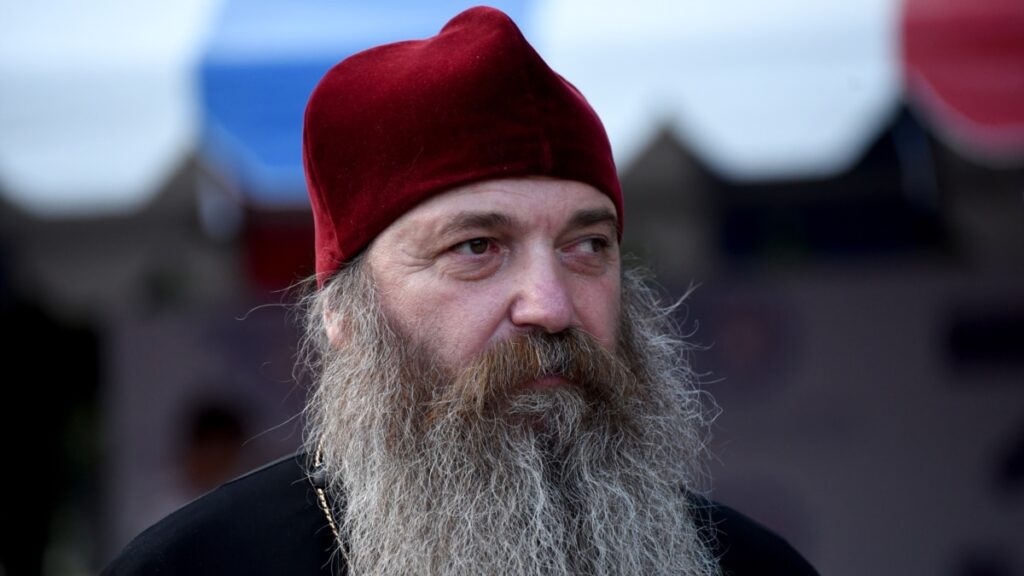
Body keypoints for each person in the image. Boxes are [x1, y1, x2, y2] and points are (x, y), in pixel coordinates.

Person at [103, 7, 818, 575]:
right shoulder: (198, 567)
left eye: (587, 246)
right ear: (344, 314)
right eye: (476, 247)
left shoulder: (749, 566)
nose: (551, 306)